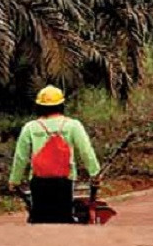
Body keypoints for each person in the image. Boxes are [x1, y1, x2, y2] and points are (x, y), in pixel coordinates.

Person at [8, 85, 101, 224]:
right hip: (65, 179)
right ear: (61, 105)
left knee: (39, 219)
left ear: (39, 106)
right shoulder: (73, 125)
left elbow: (21, 157)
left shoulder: (30, 127)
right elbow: (86, 151)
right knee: (63, 219)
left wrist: (14, 180)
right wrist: (95, 174)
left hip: (38, 181)